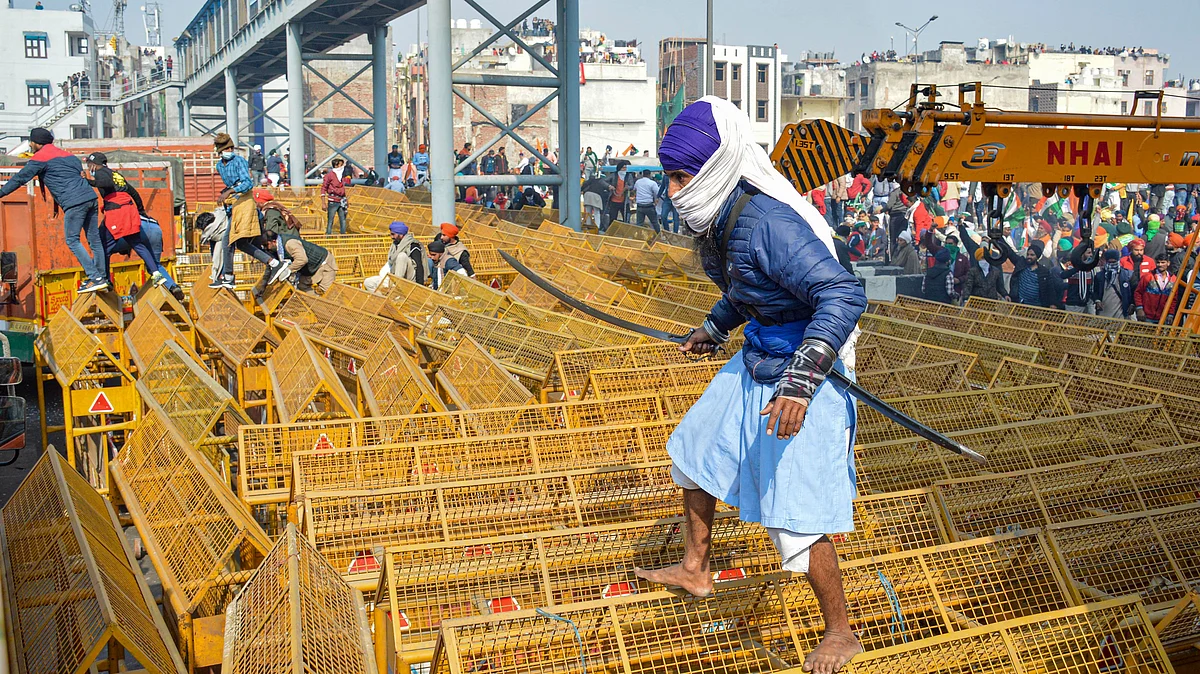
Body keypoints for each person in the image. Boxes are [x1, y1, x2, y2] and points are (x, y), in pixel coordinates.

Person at [632, 97, 867, 674]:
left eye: (682, 176)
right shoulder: (719, 216)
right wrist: (712, 329)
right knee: (692, 454)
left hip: (807, 366)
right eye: (669, 178)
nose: (673, 189)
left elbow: (843, 294)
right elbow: (750, 286)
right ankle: (696, 568)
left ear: (712, 170)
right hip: (758, 353)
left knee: (796, 515)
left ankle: (841, 632)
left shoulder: (767, 222)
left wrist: (802, 384)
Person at [0, 128, 108, 292]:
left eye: (31, 142)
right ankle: (102, 277)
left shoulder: (40, 158)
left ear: (36, 143)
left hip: (74, 203)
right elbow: (67, 177)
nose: (30, 144)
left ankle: (95, 277)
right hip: (90, 198)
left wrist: (1, 193)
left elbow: (20, 178)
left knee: (72, 240)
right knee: (94, 240)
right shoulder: (70, 157)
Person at [212, 133, 288, 289]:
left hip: (245, 203)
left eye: (231, 148)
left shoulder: (239, 161)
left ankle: (228, 277)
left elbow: (247, 183)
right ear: (220, 151)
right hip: (234, 205)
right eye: (227, 148)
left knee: (228, 240)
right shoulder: (219, 166)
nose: (230, 150)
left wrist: (231, 191)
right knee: (241, 244)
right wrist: (225, 193)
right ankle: (274, 263)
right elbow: (230, 186)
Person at [81, 152, 161, 286]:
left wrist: (88, 181)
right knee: (137, 244)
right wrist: (141, 210)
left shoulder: (101, 172)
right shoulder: (116, 174)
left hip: (117, 212)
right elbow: (134, 192)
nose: (89, 167)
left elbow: (105, 183)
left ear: (94, 164)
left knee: (103, 246)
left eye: (89, 164)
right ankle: (156, 272)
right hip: (129, 210)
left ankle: (103, 279)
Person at [262, 229, 337, 294]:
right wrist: (264, 284)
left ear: (273, 241)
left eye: (266, 245)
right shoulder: (276, 249)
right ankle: (316, 305)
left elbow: (302, 259)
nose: (266, 248)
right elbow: (271, 266)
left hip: (323, 263)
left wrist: (288, 270)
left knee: (326, 292)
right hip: (310, 268)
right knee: (301, 286)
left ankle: (329, 308)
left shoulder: (290, 244)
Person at [364, 221, 425, 292]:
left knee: (401, 256)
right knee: (368, 282)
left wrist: (420, 288)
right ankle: (386, 301)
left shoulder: (413, 245)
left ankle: (397, 286)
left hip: (409, 279)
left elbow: (419, 265)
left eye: (393, 234)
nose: (391, 237)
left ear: (401, 234)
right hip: (393, 275)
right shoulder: (394, 246)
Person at [1003, 240, 1065, 308]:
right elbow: (1010, 252)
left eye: (1032, 255)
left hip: (1037, 307)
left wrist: (1053, 303)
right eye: (1028, 254)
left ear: (1037, 256)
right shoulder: (1021, 264)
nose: (1029, 257)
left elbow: (1050, 289)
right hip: (1020, 304)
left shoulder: (1044, 271)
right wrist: (999, 238)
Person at [1134, 253, 1177, 323]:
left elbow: (1173, 299)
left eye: (1163, 262)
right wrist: (1139, 308)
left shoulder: (1173, 279)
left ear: (1168, 263)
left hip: (1163, 317)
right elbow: (1138, 293)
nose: (1160, 265)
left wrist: (1170, 314)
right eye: (1158, 262)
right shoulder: (1148, 277)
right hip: (1147, 316)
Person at [1092, 249, 1135, 318]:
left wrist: (1132, 304)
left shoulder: (1128, 275)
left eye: (1114, 262)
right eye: (1110, 262)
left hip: (1121, 312)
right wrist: (1097, 300)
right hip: (1104, 312)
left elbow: (1134, 291)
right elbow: (1095, 291)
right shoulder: (1099, 276)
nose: (1112, 265)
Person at [322, 159, 349, 235]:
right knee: (331, 220)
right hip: (333, 200)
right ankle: (328, 236)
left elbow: (343, 188)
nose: (342, 166)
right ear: (336, 165)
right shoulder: (330, 175)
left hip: (342, 200)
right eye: (341, 165)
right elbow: (323, 188)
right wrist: (323, 203)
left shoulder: (342, 176)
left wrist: (346, 200)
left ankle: (343, 237)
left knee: (343, 219)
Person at [604, 163, 630, 231]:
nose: (625, 169)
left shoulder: (628, 176)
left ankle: (626, 232)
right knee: (612, 219)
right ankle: (611, 232)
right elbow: (603, 181)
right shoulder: (614, 175)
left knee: (626, 219)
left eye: (625, 167)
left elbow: (632, 185)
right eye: (623, 167)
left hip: (624, 202)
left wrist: (627, 187)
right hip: (614, 201)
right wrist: (609, 186)